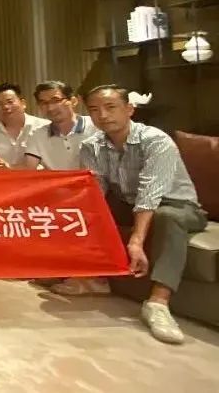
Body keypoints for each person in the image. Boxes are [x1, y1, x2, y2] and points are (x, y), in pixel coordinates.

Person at [67, 85, 209, 345]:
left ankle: (158, 303)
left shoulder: (155, 140)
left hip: (178, 205)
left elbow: (150, 192)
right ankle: (92, 277)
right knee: (80, 209)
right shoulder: (91, 146)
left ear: (129, 109)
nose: (103, 116)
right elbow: (95, 192)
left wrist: (136, 240)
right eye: (95, 110)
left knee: (167, 217)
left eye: (111, 107)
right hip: (128, 202)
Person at [21, 81, 98, 171]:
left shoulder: (96, 126)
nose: (50, 108)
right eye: (44, 103)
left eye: (56, 101)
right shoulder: (37, 135)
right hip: (57, 180)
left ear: (73, 101)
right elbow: (28, 169)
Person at [0, 83, 49, 169]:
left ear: (23, 103)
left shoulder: (43, 126)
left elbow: (49, 163)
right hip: (5, 177)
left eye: (10, 102)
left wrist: (10, 168)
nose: (5, 107)